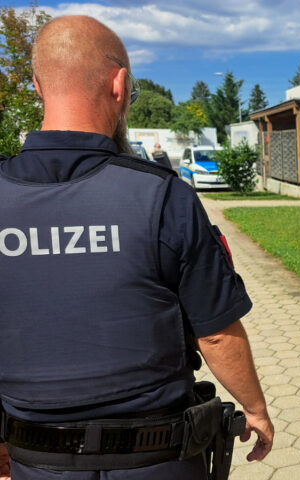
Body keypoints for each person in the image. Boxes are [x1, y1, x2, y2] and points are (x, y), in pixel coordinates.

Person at [0, 16, 273, 479]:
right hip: (157, 459)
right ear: (121, 85)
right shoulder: (163, 196)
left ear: (37, 86)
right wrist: (256, 408)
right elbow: (215, 333)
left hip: (35, 460)